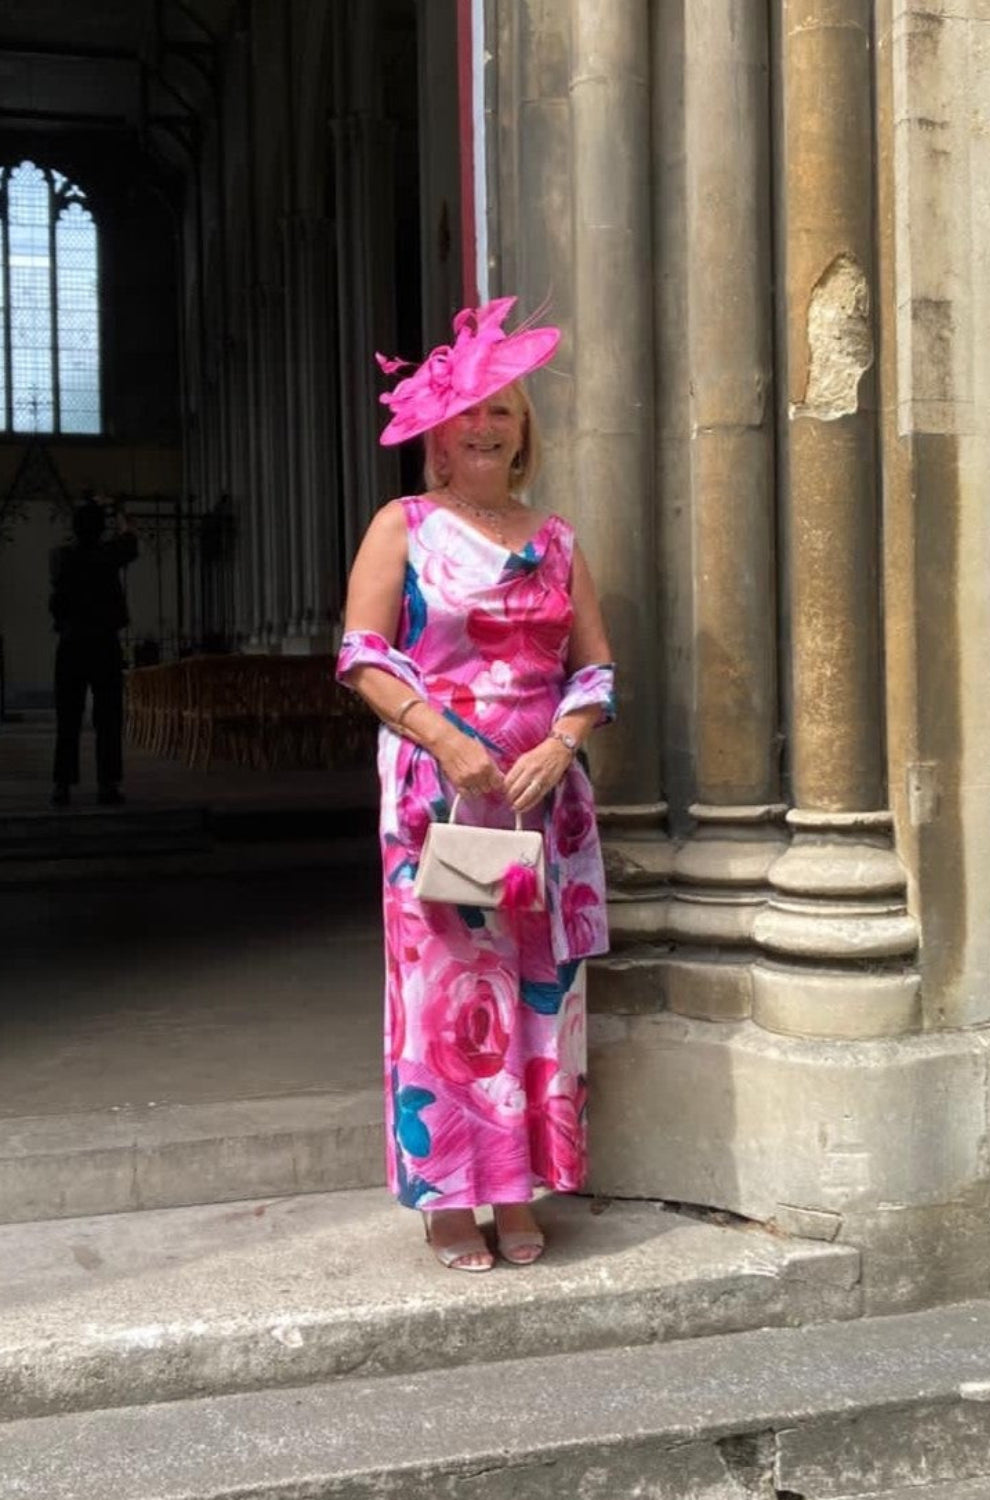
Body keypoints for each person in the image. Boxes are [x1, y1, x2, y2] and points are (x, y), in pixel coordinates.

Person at [337, 297, 616, 1271]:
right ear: (437, 438)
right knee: (452, 996)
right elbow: (364, 656)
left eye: (504, 408)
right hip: (441, 794)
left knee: (540, 990)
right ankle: (452, 1197)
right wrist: (444, 740)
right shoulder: (403, 526)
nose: (489, 423)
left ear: (522, 429)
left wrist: (567, 738)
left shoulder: (559, 538)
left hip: (543, 801)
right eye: (470, 412)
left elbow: (595, 669)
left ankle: (520, 1186)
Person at [50, 496, 138, 807]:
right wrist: (121, 514)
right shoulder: (106, 556)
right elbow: (130, 540)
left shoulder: (62, 557)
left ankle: (62, 786)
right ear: (101, 529)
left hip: (72, 644)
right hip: (103, 644)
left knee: (68, 719)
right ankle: (107, 785)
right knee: (108, 719)